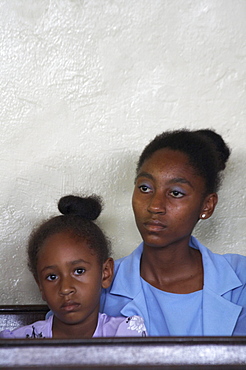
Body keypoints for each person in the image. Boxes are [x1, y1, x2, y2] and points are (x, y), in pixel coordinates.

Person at [100, 128, 246, 336]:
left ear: (207, 205)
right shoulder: (100, 283)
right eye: (145, 188)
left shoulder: (240, 280)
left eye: (176, 193)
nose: (155, 206)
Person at [0, 195, 146, 339]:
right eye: (52, 277)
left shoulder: (123, 335)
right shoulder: (18, 343)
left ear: (105, 273)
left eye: (79, 271)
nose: (65, 288)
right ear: (40, 286)